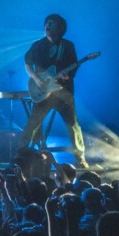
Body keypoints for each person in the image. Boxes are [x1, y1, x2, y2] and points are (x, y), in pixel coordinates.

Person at [19, 14, 88, 168]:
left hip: (64, 94)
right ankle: (21, 154)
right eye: (47, 23)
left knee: (73, 125)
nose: (47, 26)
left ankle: (80, 158)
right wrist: (36, 79)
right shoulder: (38, 45)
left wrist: (66, 77)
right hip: (43, 94)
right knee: (33, 123)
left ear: (60, 29)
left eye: (52, 24)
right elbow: (28, 65)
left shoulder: (68, 46)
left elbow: (73, 69)